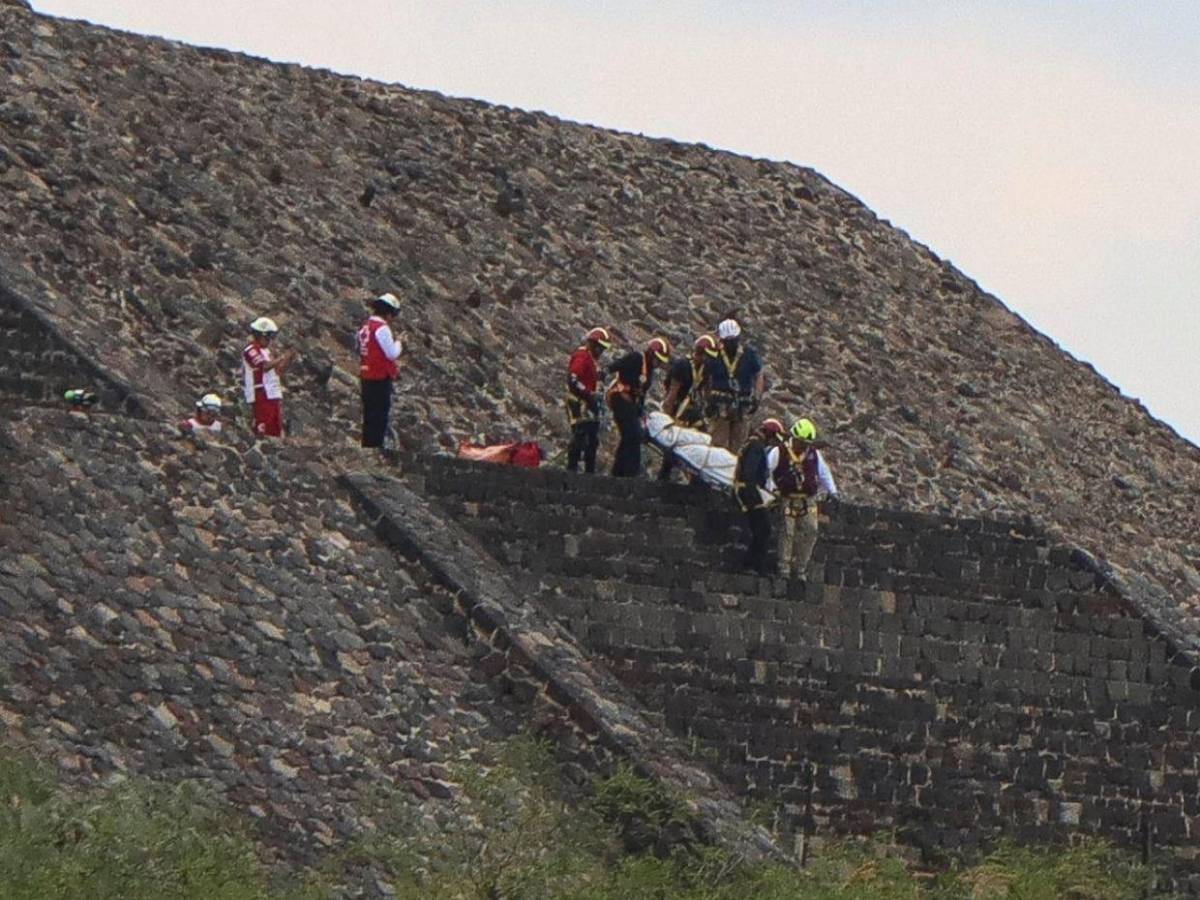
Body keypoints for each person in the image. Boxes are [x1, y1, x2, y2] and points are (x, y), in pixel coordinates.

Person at [775, 418, 839, 579]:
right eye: (802, 442)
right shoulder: (780, 451)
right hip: (787, 497)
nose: (804, 446)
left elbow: (824, 473)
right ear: (795, 438)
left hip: (808, 499)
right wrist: (771, 490)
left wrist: (833, 492)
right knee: (787, 532)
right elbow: (768, 470)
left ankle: (801, 567)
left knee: (811, 530)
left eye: (807, 443)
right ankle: (784, 568)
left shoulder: (813, 454)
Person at [606, 336, 670, 477]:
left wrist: (640, 409)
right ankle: (630, 472)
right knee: (634, 434)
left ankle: (618, 472)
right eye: (657, 359)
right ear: (651, 354)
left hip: (632, 404)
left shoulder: (650, 370)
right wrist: (604, 372)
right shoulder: (636, 358)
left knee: (629, 436)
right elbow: (616, 365)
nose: (658, 363)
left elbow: (642, 392)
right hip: (620, 398)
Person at [657, 333, 718, 481]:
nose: (708, 360)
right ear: (699, 353)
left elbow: (707, 389)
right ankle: (663, 477)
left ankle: (697, 478)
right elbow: (672, 394)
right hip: (677, 408)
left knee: (702, 439)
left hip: (692, 409)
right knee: (674, 442)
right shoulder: (682, 366)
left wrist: (711, 405)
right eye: (706, 356)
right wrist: (667, 419)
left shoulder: (706, 368)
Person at [734, 417, 785, 574]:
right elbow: (750, 473)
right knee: (764, 529)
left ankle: (752, 565)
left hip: (747, 490)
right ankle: (752, 565)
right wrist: (757, 495)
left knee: (760, 529)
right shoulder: (756, 446)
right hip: (750, 492)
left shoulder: (752, 443)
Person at [705, 318, 764, 451]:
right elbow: (707, 378)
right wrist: (708, 400)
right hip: (721, 404)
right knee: (717, 444)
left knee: (738, 447)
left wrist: (757, 397)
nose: (731, 344)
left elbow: (759, 374)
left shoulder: (749, 354)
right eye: (728, 342)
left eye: (734, 341)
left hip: (742, 405)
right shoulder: (715, 354)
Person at [357, 293, 406, 448]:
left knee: (369, 416)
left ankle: (367, 446)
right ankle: (375, 447)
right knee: (379, 417)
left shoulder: (365, 326)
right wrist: (399, 342)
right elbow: (391, 353)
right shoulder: (382, 328)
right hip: (379, 377)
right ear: (388, 313)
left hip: (366, 374)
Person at [564, 326, 612, 473]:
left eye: (603, 349)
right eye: (599, 348)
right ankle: (571, 470)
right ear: (592, 344)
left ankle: (589, 472)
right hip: (578, 403)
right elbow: (573, 380)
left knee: (592, 440)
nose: (601, 351)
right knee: (579, 437)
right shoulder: (582, 356)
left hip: (590, 403)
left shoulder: (591, 359)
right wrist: (588, 394)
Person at [242, 317, 295, 438]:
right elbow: (264, 367)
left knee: (274, 429)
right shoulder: (251, 350)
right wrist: (281, 357)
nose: (269, 341)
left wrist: (288, 359)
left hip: (272, 393)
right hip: (260, 392)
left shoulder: (267, 352)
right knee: (262, 427)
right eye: (268, 337)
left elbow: (277, 371)